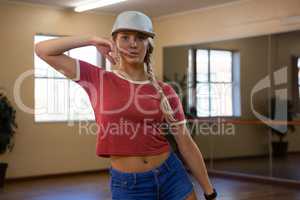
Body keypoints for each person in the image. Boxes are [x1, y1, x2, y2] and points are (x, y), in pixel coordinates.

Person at [35, 10, 217, 200]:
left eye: (140, 38)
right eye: (125, 38)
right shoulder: (97, 79)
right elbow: (43, 50)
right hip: (129, 185)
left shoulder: (165, 92)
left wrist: (209, 191)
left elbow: (185, 143)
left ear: (149, 45)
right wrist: (92, 39)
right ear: (114, 42)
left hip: (171, 175)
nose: (133, 44)